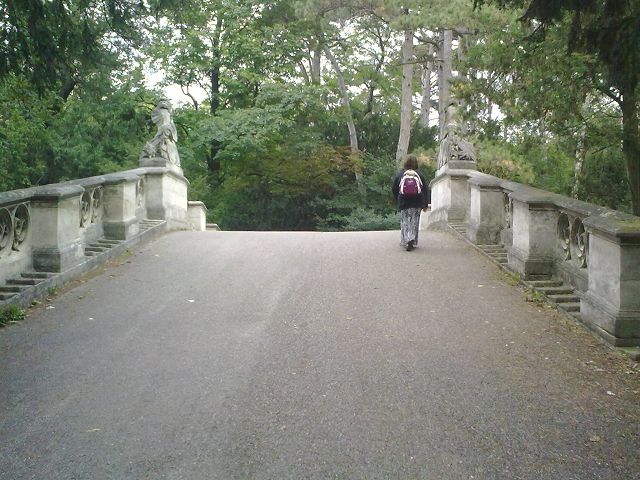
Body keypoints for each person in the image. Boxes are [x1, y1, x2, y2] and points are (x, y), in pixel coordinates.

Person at [392, 155, 429, 251]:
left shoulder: (401, 174)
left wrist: (398, 198)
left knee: (405, 221)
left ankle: (405, 240)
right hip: (417, 202)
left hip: (404, 201)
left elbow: (394, 188)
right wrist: (425, 204)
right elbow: (425, 190)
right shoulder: (419, 174)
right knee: (414, 222)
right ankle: (412, 240)